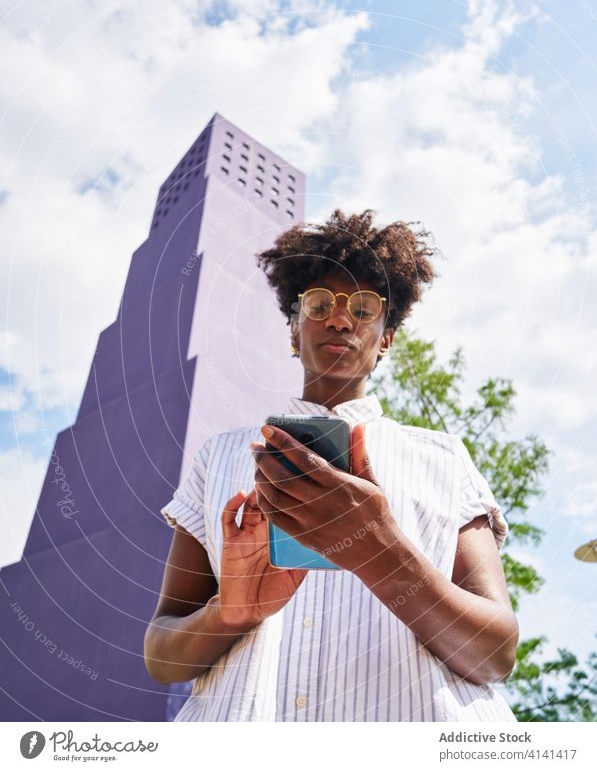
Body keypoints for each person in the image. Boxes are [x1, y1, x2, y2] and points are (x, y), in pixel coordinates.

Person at [144, 208, 519, 722]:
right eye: (319, 305)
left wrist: (378, 549)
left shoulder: (445, 459)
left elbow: (496, 655)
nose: (340, 319)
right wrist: (229, 613)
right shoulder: (220, 456)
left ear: (386, 338)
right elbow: (161, 656)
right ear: (294, 329)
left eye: (364, 310)